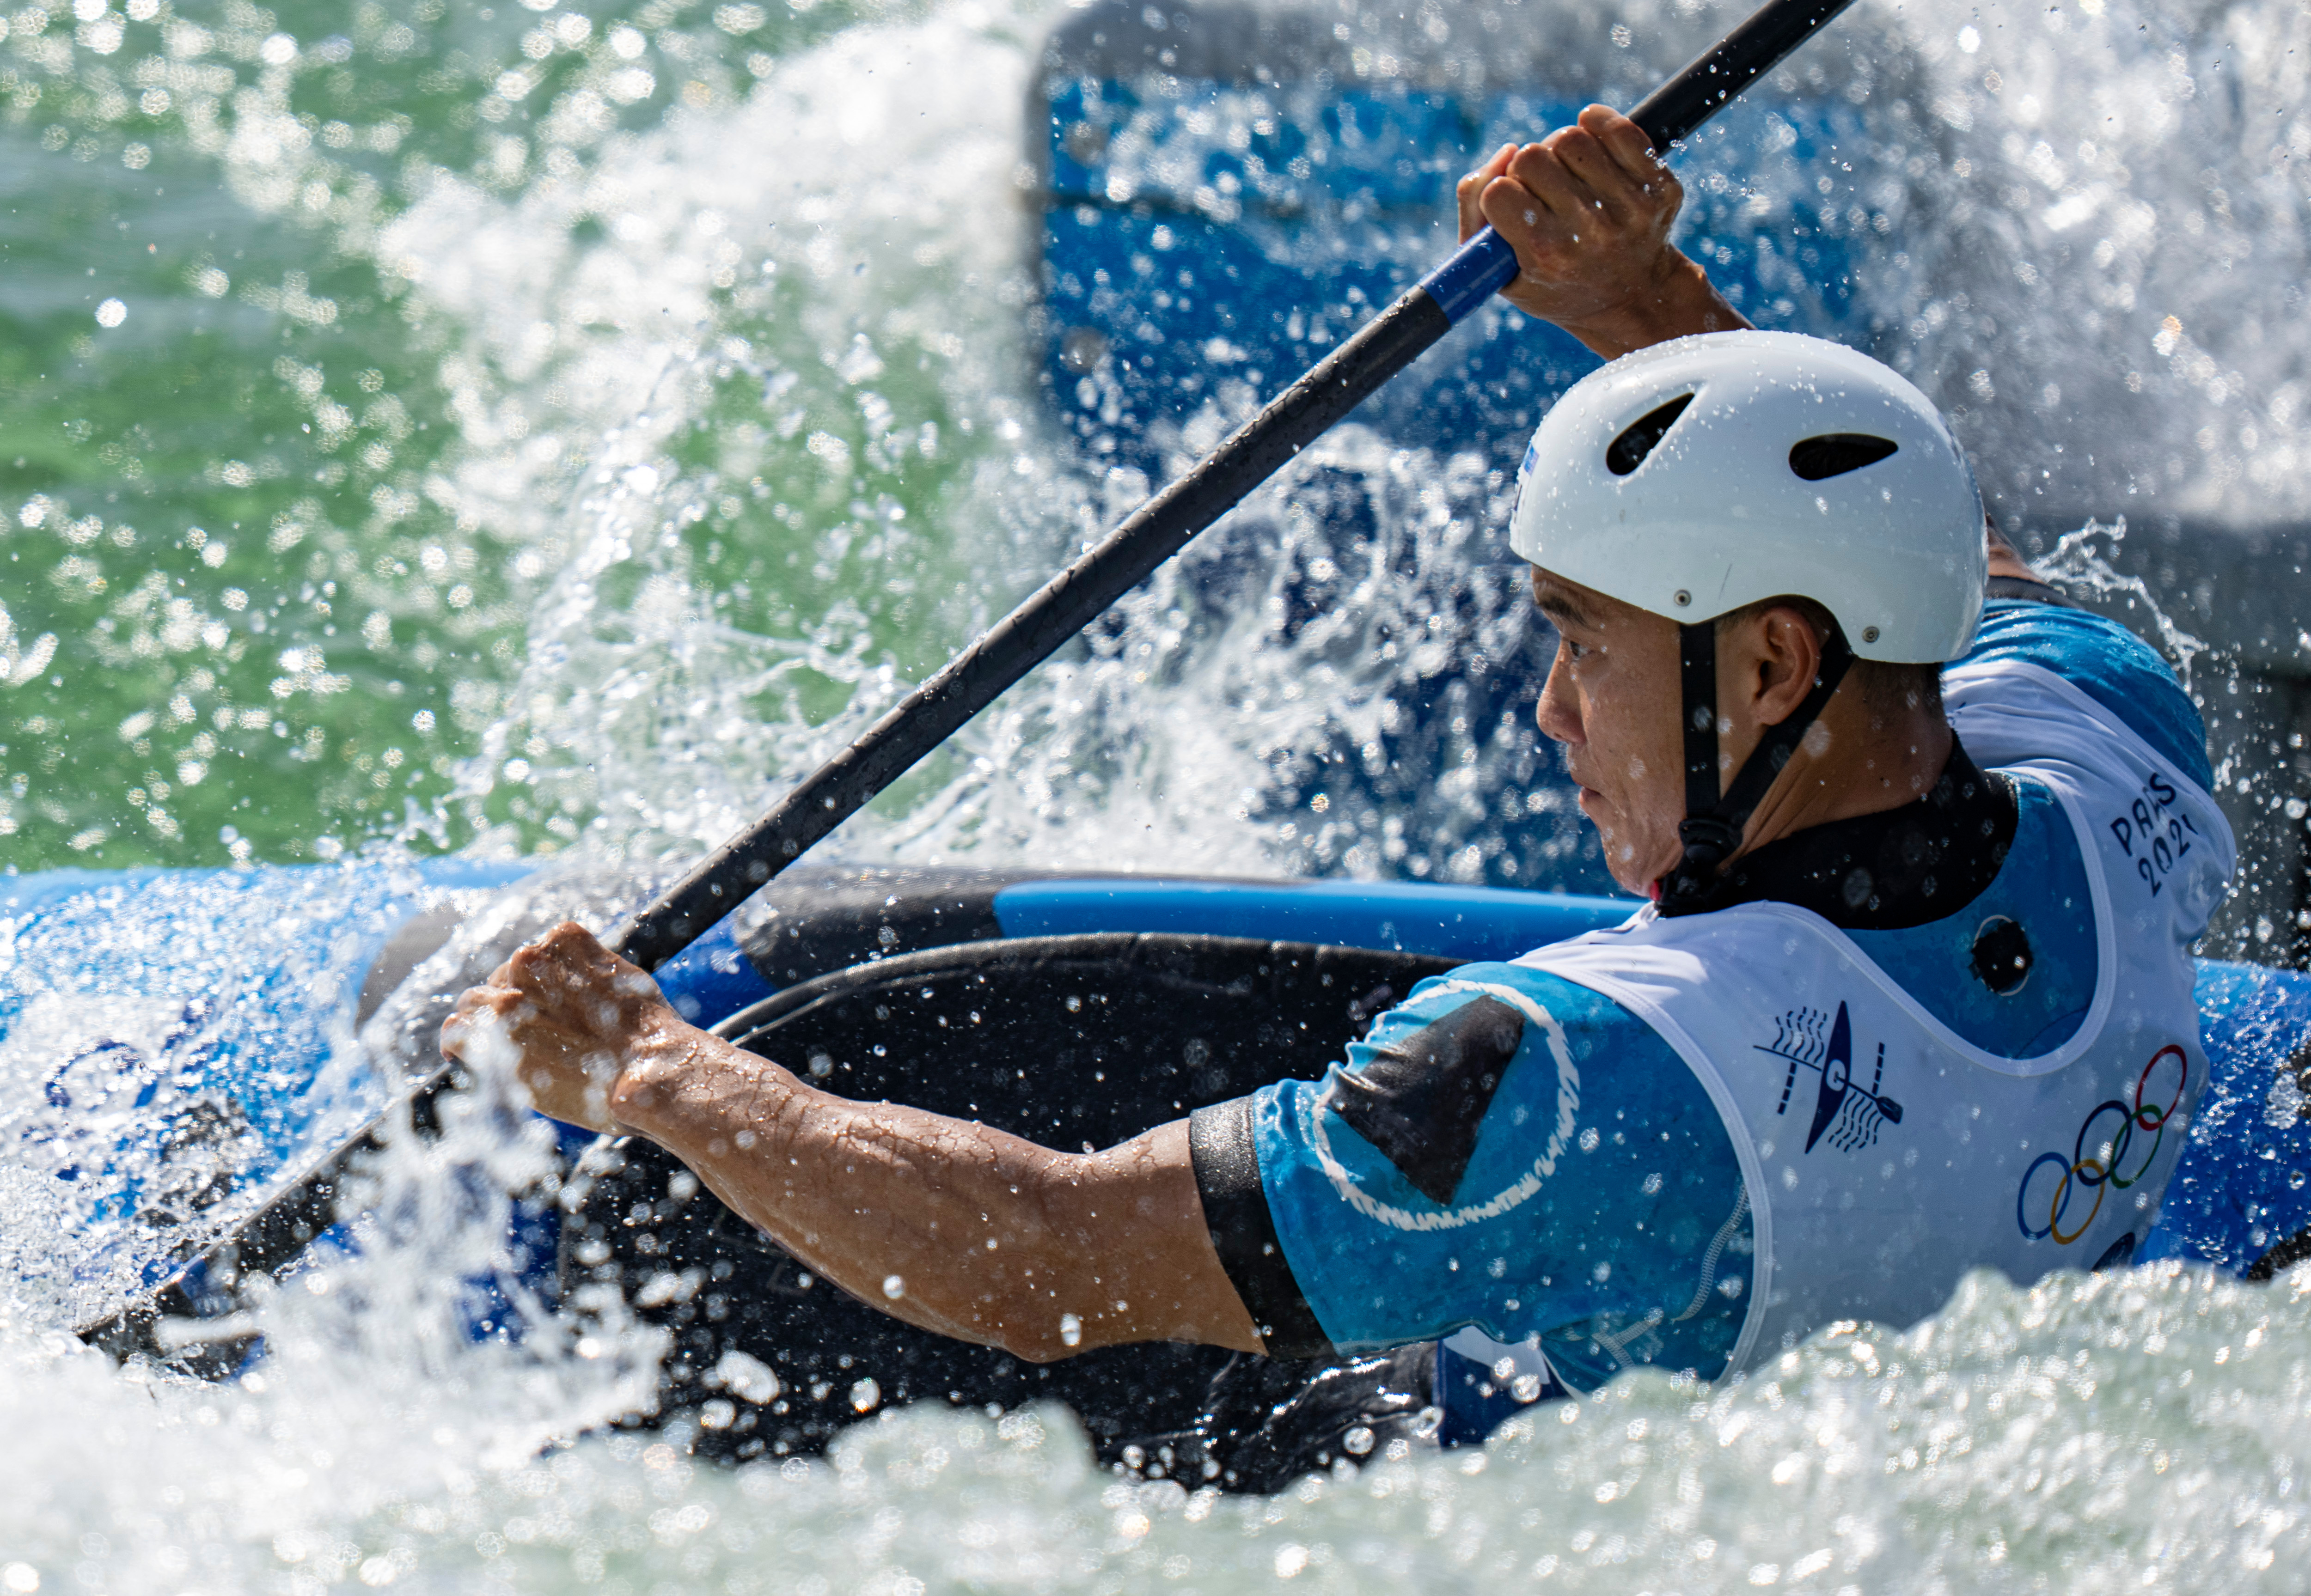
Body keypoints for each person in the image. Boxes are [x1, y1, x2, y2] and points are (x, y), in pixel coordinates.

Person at [441, 105, 2233, 1447]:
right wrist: (1639, 304)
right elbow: (1932, 568)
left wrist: (651, 1070)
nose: (1547, 713)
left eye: (1582, 643)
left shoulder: (1580, 1075)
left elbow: (1037, 1270)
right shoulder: (2117, 765)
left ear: (1768, 664)